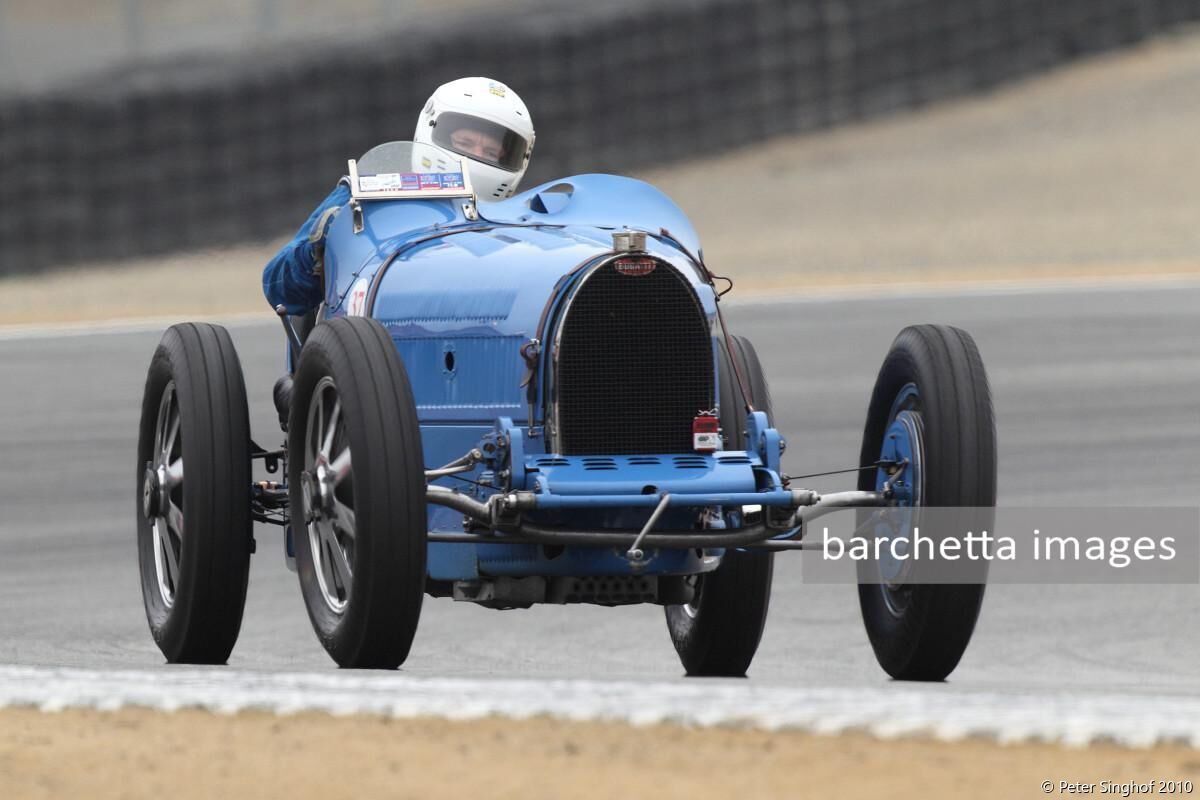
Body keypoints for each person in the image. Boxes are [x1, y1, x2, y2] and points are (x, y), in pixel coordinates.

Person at [262, 77, 536, 315]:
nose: (475, 156)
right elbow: (277, 287)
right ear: (430, 128)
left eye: (490, 153)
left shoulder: (520, 221)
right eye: (464, 143)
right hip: (368, 346)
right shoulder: (368, 195)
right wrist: (318, 251)